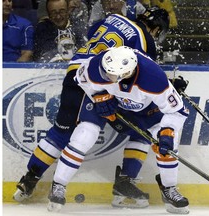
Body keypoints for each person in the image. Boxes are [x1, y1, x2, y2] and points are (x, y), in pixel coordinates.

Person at [13, 6, 187, 209]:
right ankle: (120, 180)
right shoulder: (144, 40)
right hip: (94, 80)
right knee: (72, 131)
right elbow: (140, 71)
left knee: (137, 131)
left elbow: (90, 34)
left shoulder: (115, 18)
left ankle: (29, 179)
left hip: (86, 73)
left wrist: (167, 88)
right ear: (156, 29)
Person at [47, 46, 190, 214]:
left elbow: (177, 111)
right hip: (109, 101)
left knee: (168, 146)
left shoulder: (153, 78)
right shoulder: (98, 66)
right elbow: (81, 79)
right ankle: (58, 184)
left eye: (110, 75)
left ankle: (169, 189)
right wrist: (99, 96)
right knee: (84, 135)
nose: (104, 76)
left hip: (144, 108)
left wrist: (167, 132)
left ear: (125, 73)